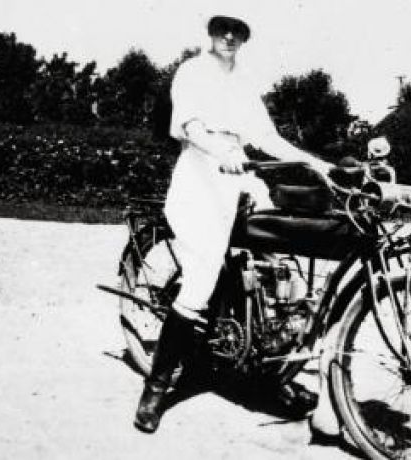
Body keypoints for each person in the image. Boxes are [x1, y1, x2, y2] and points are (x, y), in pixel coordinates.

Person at [134, 12, 334, 434]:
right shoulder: (191, 72)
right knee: (200, 283)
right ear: (209, 33)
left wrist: (319, 166)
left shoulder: (244, 81)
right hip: (200, 181)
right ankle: (155, 390)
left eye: (238, 31)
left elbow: (269, 137)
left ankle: (267, 372)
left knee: (279, 272)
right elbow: (189, 126)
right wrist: (219, 151)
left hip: (239, 180)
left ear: (244, 39)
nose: (229, 36)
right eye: (222, 29)